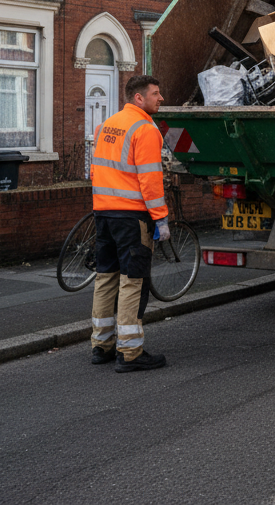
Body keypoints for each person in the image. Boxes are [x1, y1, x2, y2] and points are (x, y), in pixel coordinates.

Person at [88, 74, 171, 373]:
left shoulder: (107, 125)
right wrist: (160, 218)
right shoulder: (145, 129)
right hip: (131, 216)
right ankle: (131, 351)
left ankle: (102, 345)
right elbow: (150, 180)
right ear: (139, 98)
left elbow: (95, 172)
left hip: (103, 213)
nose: (161, 98)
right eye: (156, 93)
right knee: (133, 281)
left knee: (106, 276)